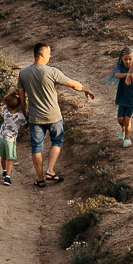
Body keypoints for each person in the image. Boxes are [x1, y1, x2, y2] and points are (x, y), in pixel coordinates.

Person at [17, 42, 94, 187]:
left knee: (36, 147)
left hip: (35, 117)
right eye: (49, 53)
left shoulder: (23, 73)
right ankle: (50, 170)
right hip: (54, 116)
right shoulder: (52, 71)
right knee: (57, 142)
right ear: (42, 54)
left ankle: (40, 179)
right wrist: (86, 89)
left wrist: (26, 115)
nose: (50, 55)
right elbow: (73, 84)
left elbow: (22, 99)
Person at [110, 45, 133, 148]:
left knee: (127, 118)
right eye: (125, 59)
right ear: (121, 58)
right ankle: (123, 130)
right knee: (120, 118)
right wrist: (128, 75)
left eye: (130, 59)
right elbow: (116, 75)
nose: (128, 62)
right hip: (122, 96)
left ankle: (127, 138)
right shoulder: (120, 66)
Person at [0, 89, 26, 185]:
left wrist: (12, 93)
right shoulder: (20, 116)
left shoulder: (5, 112)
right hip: (10, 140)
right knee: (10, 158)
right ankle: (7, 178)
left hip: (2, 137)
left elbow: (5, 99)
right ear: (18, 106)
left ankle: (4, 171)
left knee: (3, 156)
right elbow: (25, 126)